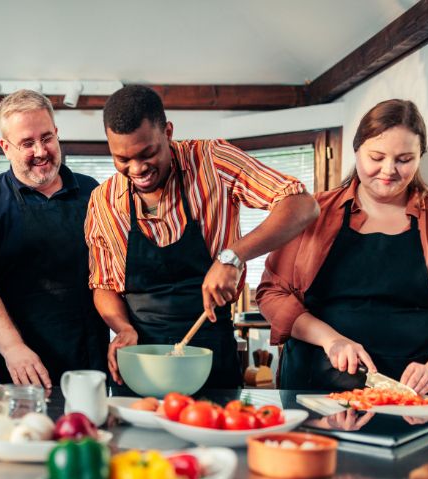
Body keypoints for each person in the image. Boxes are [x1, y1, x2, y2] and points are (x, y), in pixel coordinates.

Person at [86, 85, 319, 389]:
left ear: (168, 132)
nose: (137, 169)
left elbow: (302, 205)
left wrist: (233, 255)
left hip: (210, 353)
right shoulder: (103, 201)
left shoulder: (213, 160)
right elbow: (104, 285)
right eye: (122, 159)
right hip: (140, 359)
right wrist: (122, 329)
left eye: (148, 153)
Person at [258, 99, 428, 394]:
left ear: (420, 156)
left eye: (404, 159)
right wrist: (331, 340)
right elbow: (272, 293)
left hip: (421, 394)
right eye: (377, 157)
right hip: (317, 387)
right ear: (356, 150)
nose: (388, 170)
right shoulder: (312, 213)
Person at [0, 90, 109, 388]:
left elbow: (110, 273)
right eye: (26, 143)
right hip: (11, 368)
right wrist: (13, 348)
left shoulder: (93, 193)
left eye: (46, 138)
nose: (40, 150)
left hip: (85, 365)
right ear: (5, 147)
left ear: (57, 134)